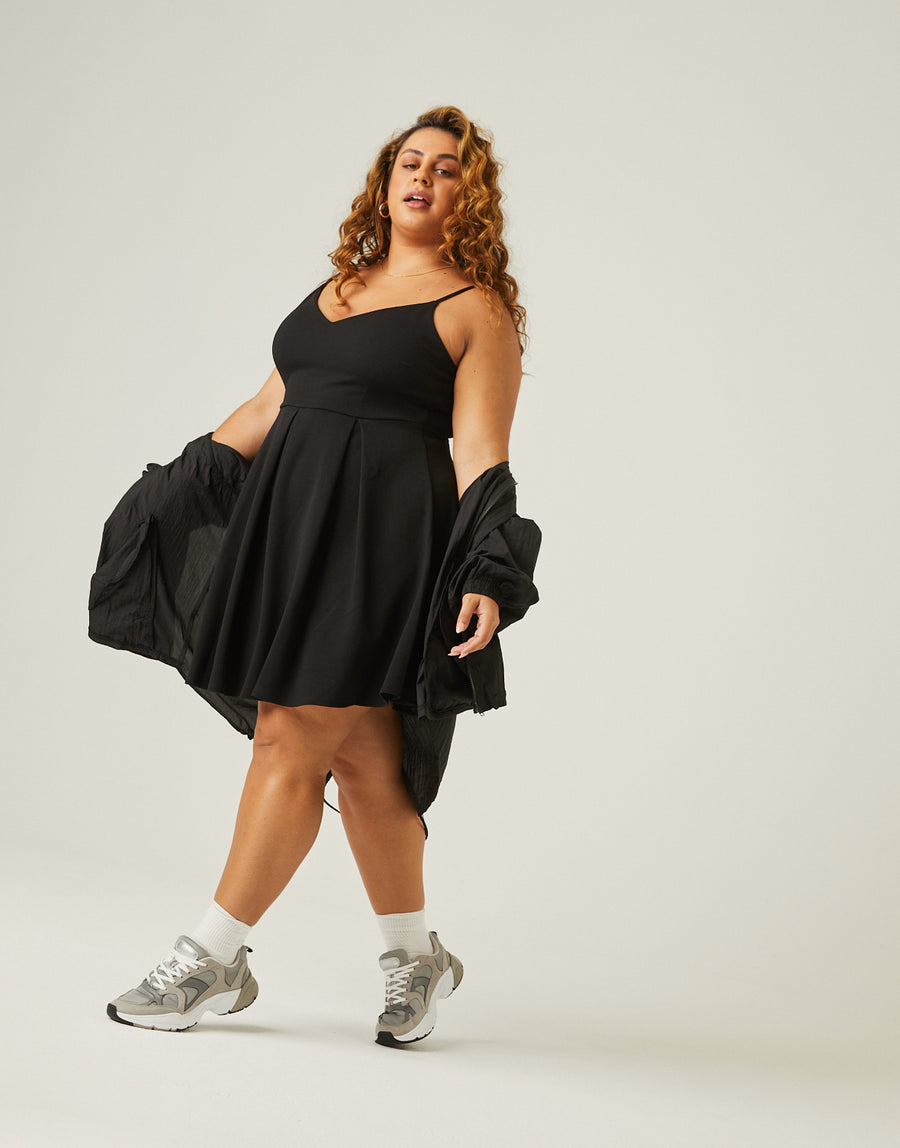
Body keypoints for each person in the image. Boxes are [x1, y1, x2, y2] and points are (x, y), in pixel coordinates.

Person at [105, 105, 529, 1048]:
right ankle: (416, 957)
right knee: (366, 760)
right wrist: (174, 487)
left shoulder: (475, 309)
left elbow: (479, 450)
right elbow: (271, 404)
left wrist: (489, 569)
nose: (423, 177)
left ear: (470, 196)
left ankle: (214, 958)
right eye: (410, 162)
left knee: (288, 735)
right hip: (295, 535)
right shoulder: (338, 288)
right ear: (386, 178)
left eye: (447, 169)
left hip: (385, 548)